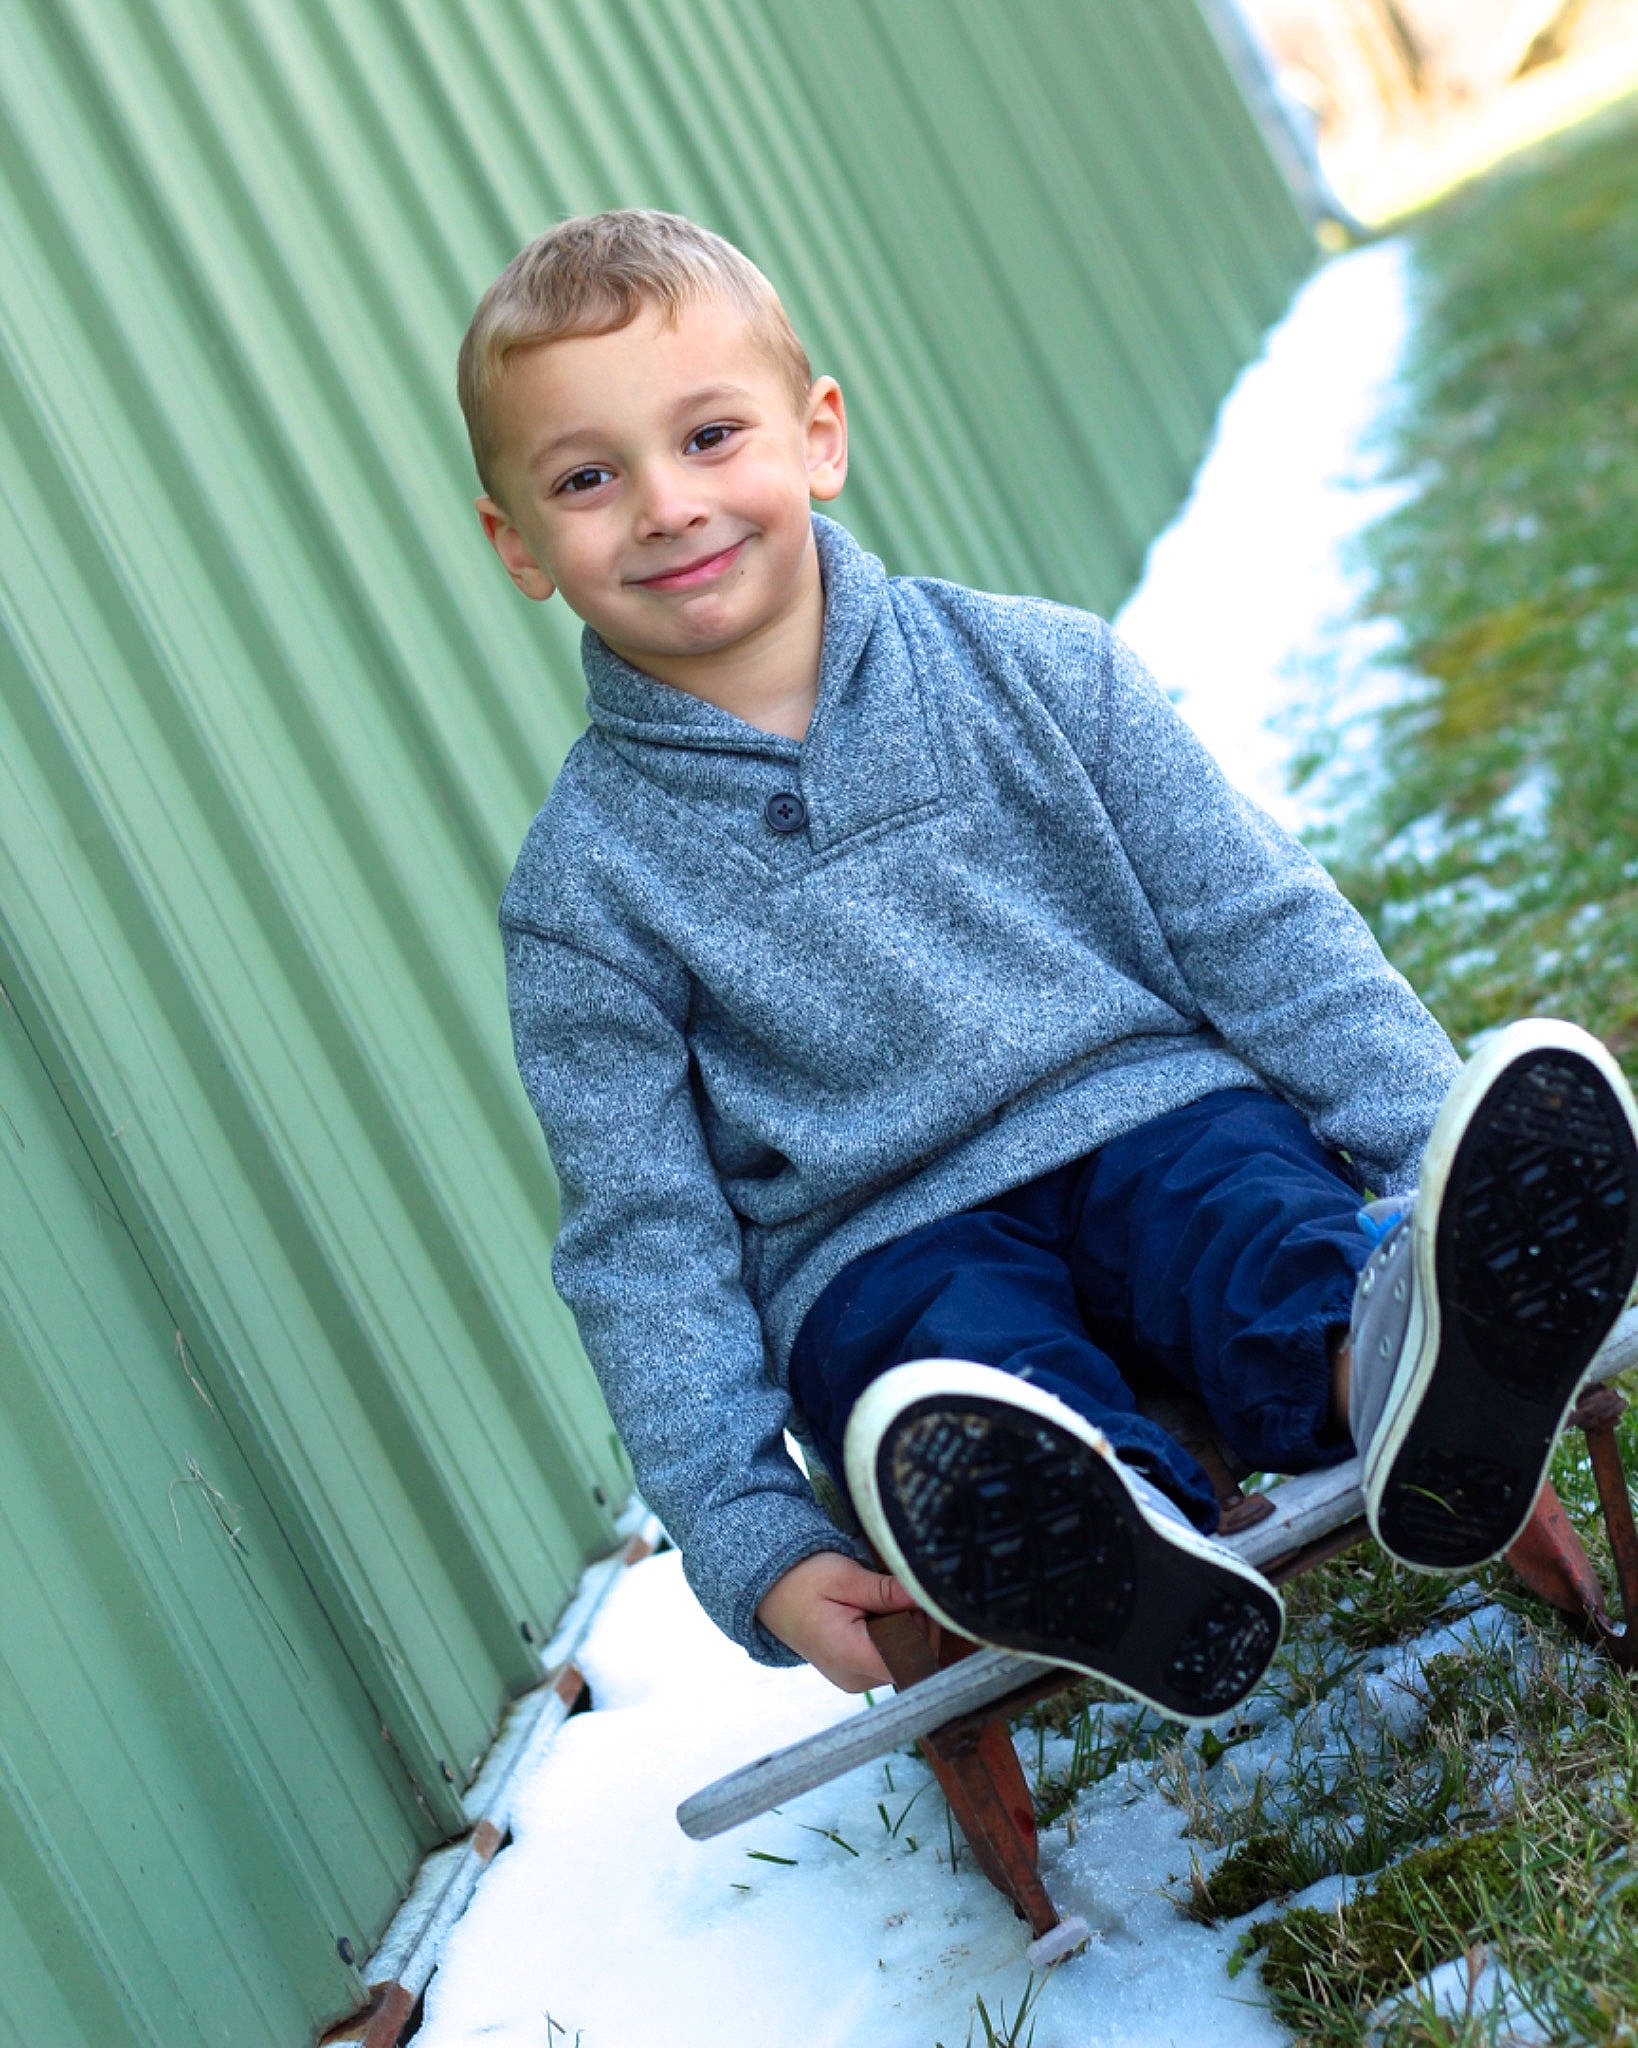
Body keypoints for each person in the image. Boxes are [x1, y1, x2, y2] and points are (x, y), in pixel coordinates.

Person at [460, 208, 1638, 1720]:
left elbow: (1262, 935)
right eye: (586, 478)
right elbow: (645, 1241)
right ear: (519, 546)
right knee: (958, 1377)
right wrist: (750, 1540)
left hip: (1151, 1117)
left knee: (1245, 1223)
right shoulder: (585, 894)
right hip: (873, 1244)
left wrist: (1432, 1168)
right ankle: (1114, 1550)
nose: (665, 506)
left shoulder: (1038, 670)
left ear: (818, 437)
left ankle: (1415, 1363)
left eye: (707, 436)